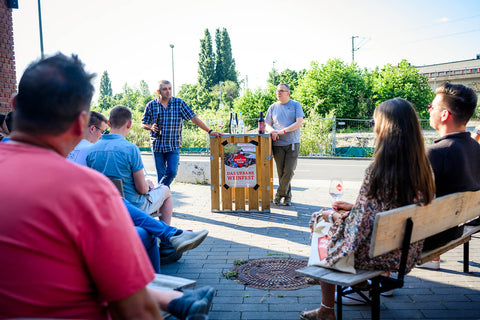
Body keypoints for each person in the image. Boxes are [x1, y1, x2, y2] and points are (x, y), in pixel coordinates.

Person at [0, 53, 214, 319]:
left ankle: (176, 297)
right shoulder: (87, 190)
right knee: (140, 237)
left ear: (16, 105)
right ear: (81, 124)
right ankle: (168, 278)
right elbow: (136, 313)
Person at [300, 98, 435, 320]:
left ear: (385, 128)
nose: (372, 126)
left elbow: (358, 229)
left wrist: (333, 216)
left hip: (382, 255)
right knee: (335, 221)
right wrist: (354, 208)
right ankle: (354, 284)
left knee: (321, 222)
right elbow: (390, 208)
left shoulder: (378, 171)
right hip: (406, 251)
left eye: (375, 121)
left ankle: (326, 308)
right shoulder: (422, 168)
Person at [421, 82, 480, 270]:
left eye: (431, 107)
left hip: (429, 239)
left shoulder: (434, 153)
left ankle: (371, 286)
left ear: (445, 114)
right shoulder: (476, 148)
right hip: (457, 229)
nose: (429, 110)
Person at [87, 105, 173, 224]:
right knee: (165, 190)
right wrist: (148, 186)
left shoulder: (91, 150)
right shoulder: (131, 149)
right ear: (129, 124)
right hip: (134, 207)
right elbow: (142, 189)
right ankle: (165, 237)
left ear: (109, 123)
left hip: (105, 206)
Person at [141, 80, 221, 187]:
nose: (168, 91)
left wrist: (209, 131)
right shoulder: (151, 105)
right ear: (158, 91)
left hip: (173, 145)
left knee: (172, 172)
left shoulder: (179, 103)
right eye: (165, 89)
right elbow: (143, 123)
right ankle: (163, 199)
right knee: (161, 175)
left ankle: (159, 191)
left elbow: (194, 118)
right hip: (157, 145)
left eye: (170, 88)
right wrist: (150, 127)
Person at [265, 83, 305, 206]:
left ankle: (279, 194)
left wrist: (283, 130)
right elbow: (268, 124)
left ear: (288, 93)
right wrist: (271, 131)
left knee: (289, 171)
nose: (279, 93)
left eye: (282, 91)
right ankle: (287, 197)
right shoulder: (272, 107)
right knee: (281, 172)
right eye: (277, 91)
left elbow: (299, 123)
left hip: (292, 142)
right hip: (277, 144)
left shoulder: (295, 105)